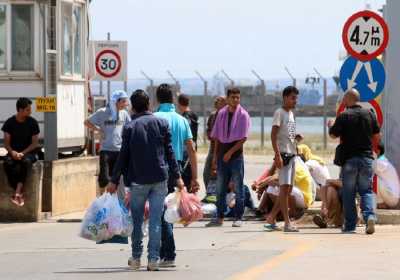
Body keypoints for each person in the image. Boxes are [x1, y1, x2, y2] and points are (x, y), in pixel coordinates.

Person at [107, 90, 185, 271]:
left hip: (138, 181)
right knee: (156, 221)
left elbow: (123, 156)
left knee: (137, 220)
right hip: (160, 179)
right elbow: (170, 153)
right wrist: (178, 176)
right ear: (149, 104)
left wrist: (113, 180)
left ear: (133, 107)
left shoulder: (130, 127)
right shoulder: (161, 123)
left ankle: (136, 258)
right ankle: (153, 260)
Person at [154, 84, 200, 268]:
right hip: (178, 167)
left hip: (158, 167)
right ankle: (166, 253)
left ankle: (168, 253)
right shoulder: (182, 120)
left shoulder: (154, 118)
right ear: (172, 99)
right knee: (170, 208)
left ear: (157, 99)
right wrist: (195, 177)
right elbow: (192, 149)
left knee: (163, 210)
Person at [329, 89, 380, 234]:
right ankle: (369, 216)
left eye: (344, 97)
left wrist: (330, 126)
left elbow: (333, 135)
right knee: (366, 191)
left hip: (349, 160)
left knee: (348, 193)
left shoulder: (344, 115)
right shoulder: (369, 113)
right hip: (366, 159)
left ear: (347, 98)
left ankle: (350, 225)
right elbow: (377, 136)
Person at [206, 87, 251, 228]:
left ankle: (238, 217)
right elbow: (217, 137)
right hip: (221, 155)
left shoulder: (243, 115)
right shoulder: (221, 114)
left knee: (238, 187)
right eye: (233, 97)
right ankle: (219, 217)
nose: (236, 100)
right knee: (220, 187)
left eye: (238, 97)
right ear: (227, 98)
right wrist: (215, 157)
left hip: (236, 155)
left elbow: (243, 138)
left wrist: (230, 153)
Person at [84, 90, 130, 195]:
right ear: (116, 102)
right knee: (104, 179)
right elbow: (87, 122)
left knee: (117, 180)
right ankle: (101, 200)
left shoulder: (124, 114)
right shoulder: (102, 112)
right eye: (123, 101)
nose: (125, 104)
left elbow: (130, 127)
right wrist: (98, 130)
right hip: (105, 151)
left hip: (119, 151)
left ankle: (116, 204)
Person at [267, 86, 300, 232]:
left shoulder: (291, 114)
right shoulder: (279, 113)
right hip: (284, 155)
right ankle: (287, 223)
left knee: (288, 189)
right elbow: (273, 135)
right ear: (285, 97)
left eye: (296, 98)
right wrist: (277, 155)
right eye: (293, 98)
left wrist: (296, 141)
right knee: (284, 189)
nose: (295, 101)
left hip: (292, 155)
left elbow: (291, 135)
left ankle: (272, 216)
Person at [2, 98, 40, 206]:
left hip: (29, 152)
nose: (30, 112)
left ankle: (17, 192)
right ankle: (18, 192)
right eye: (27, 110)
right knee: (8, 164)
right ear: (20, 110)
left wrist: (22, 153)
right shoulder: (9, 123)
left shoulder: (32, 123)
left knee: (25, 162)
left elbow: (34, 143)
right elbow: (6, 143)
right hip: (13, 152)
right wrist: (13, 152)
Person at [203, 96, 226, 189]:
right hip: (212, 149)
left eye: (220, 100)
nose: (217, 101)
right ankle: (209, 193)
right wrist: (210, 135)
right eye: (216, 100)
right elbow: (208, 130)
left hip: (222, 151)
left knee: (220, 175)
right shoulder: (213, 115)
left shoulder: (226, 116)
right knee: (206, 174)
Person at [177, 94, 199, 190]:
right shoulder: (193, 114)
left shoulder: (185, 118)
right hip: (192, 149)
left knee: (185, 181)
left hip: (186, 152)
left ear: (178, 104)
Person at [374, 143, 400, 209]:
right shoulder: (383, 161)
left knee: (374, 178)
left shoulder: (381, 162)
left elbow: (366, 169)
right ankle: (381, 203)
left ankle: (380, 203)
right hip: (393, 197)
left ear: (378, 151)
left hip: (392, 198)